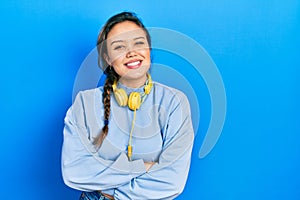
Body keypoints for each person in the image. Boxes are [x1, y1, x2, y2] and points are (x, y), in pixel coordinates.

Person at [61, 11, 194, 200]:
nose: (131, 52)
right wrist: (142, 166)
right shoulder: (84, 103)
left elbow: (172, 180)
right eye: (119, 47)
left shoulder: (174, 102)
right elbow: (74, 171)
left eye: (138, 43)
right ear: (108, 58)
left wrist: (111, 191)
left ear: (149, 48)